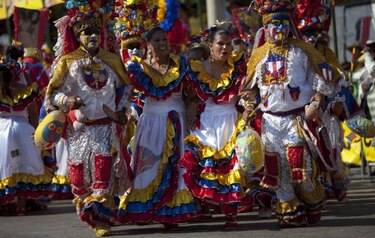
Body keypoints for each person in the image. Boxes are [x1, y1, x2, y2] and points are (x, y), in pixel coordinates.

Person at [244, 0, 335, 228]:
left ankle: (313, 199)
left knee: (301, 170)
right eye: (274, 24)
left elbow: (321, 83)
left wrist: (316, 102)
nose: (280, 29)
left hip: (296, 120)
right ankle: (289, 212)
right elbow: (250, 89)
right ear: (265, 28)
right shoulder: (259, 56)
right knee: (277, 172)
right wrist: (247, 105)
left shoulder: (302, 52)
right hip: (269, 123)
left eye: (284, 23)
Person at [44, 2, 132, 236]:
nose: (92, 36)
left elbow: (125, 88)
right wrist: (67, 101)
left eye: (96, 32)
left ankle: (101, 220)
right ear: (77, 35)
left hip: (105, 125)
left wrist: (121, 111)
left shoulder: (111, 59)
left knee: (103, 170)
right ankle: (87, 211)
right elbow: (52, 93)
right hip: (78, 130)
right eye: (86, 32)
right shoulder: (68, 61)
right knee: (79, 174)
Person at [116, 27, 199, 230]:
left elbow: (194, 93)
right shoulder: (138, 69)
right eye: (158, 40)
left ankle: (170, 213)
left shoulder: (181, 65)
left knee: (175, 167)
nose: (163, 43)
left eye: (165, 39)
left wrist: (189, 113)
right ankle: (146, 210)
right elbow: (126, 95)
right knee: (148, 166)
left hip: (176, 121)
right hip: (150, 123)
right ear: (148, 45)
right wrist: (122, 114)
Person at [179, 24, 247, 230]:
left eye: (228, 44)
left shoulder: (238, 67)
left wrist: (248, 104)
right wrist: (190, 111)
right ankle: (204, 206)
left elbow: (250, 92)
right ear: (210, 45)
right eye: (220, 44)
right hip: (206, 122)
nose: (225, 48)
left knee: (231, 167)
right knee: (205, 166)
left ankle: (231, 214)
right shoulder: (197, 69)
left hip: (230, 121)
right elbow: (190, 97)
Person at [0, 42, 51, 216]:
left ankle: (5, 203)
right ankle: (21, 206)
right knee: (24, 166)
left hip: (1, 128)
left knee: (5, 168)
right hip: (22, 127)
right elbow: (33, 109)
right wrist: (37, 129)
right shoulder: (25, 76)